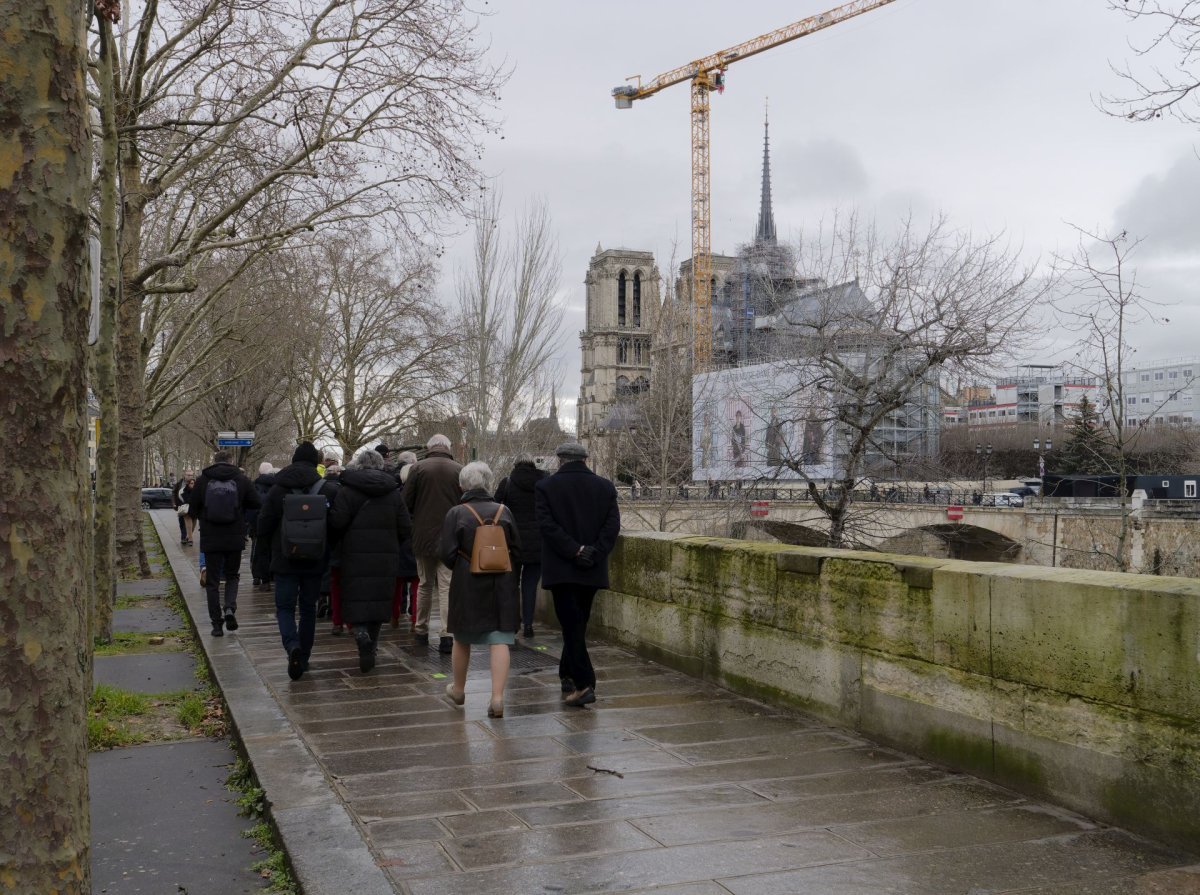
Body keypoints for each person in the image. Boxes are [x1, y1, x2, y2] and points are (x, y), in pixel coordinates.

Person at [534, 442, 620, 708]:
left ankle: (585, 683)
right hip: (591, 567)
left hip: (562, 567)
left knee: (571, 624)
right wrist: (593, 552)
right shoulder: (605, 487)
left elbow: (547, 526)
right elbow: (612, 526)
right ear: (585, 460)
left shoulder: (545, 487)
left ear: (560, 460)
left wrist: (574, 550)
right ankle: (567, 674)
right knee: (577, 622)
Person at [440, 462, 521, 718]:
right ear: (488, 483)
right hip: (502, 582)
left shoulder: (456, 513)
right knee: (499, 639)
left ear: (462, 485)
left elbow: (446, 554)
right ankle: (497, 698)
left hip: (467, 582)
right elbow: (517, 549)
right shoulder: (504, 511)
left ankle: (459, 690)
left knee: (462, 637)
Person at [258, 441, 339, 680]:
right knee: (307, 609)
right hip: (315, 560)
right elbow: (336, 525)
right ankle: (304, 656)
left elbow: (264, 524)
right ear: (316, 462)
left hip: (285, 559)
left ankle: (291, 645)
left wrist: (264, 556)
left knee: (284, 607)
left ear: (293, 460)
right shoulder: (327, 488)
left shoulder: (278, 488)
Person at [329, 449, 412, 673]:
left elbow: (336, 523)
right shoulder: (393, 492)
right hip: (385, 556)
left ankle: (360, 633)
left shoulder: (347, 491)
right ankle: (371, 647)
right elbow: (405, 527)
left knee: (355, 597)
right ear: (381, 466)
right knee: (378, 601)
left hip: (353, 553)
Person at [188, 450, 261, 637]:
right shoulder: (241, 479)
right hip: (234, 536)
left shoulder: (203, 479)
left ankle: (216, 624)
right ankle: (229, 607)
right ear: (231, 461)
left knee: (212, 582)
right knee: (232, 576)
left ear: (214, 461)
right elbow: (256, 503)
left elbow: (192, 509)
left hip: (210, 537)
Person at [403, 434, 462, 654]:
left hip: (423, 537)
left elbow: (405, 502)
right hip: (450, 537)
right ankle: (447, 634)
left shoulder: (418, 469)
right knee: (447, 586)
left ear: (429, 448)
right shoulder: (459, 469)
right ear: (448, 447)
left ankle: (421, 630)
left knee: (425, 584)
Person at [495, 453, 547, 638]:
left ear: (515, 464)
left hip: (512, 542)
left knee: (512, 584)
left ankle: (512, 623)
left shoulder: (507, 482)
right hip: (538, 542)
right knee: (531, 585)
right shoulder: (544, 481)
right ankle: (528, 625)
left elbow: (496, 508)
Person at [250, 462, 276, 588]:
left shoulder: (254, 485)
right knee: (272, 549)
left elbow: (250, 507)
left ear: (259, 472)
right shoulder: (277, 485)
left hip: (257, 523)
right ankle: (270, 575)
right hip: (273, 523)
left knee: (257, 550)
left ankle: (257, 575)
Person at [172, 470, 197, 546]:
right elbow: (173, 493)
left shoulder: (195, 483)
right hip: (182, 506)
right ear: (184, 475)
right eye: (188, 475)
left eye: (191, 475)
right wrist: (174, 503)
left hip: (193, 506)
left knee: (193, 523)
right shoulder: (179, 484)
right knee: (182, 523)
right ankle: (184, 538)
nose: (189, 476)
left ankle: (188, 536)